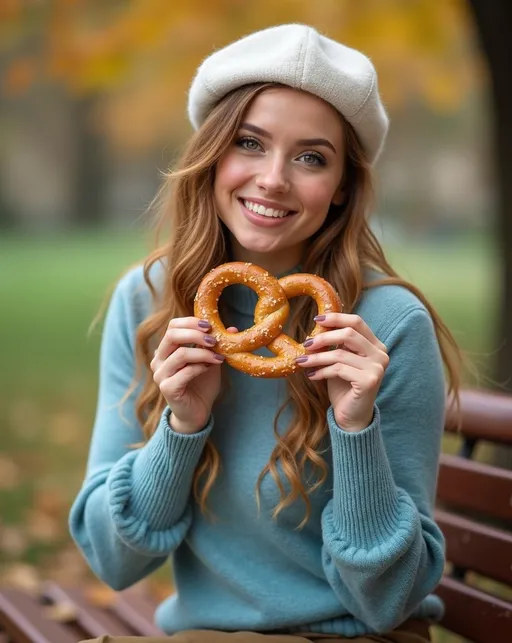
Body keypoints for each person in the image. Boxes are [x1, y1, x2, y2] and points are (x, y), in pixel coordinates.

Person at [70, 23, 461, 643]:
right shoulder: (149, 303)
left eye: (311, 157)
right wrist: (183, 428)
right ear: (214, 154)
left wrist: (356, 429)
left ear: (340, 190)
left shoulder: (386, 328)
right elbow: (113, 561)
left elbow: (387, 601)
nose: (274, 179)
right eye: (250, 143)